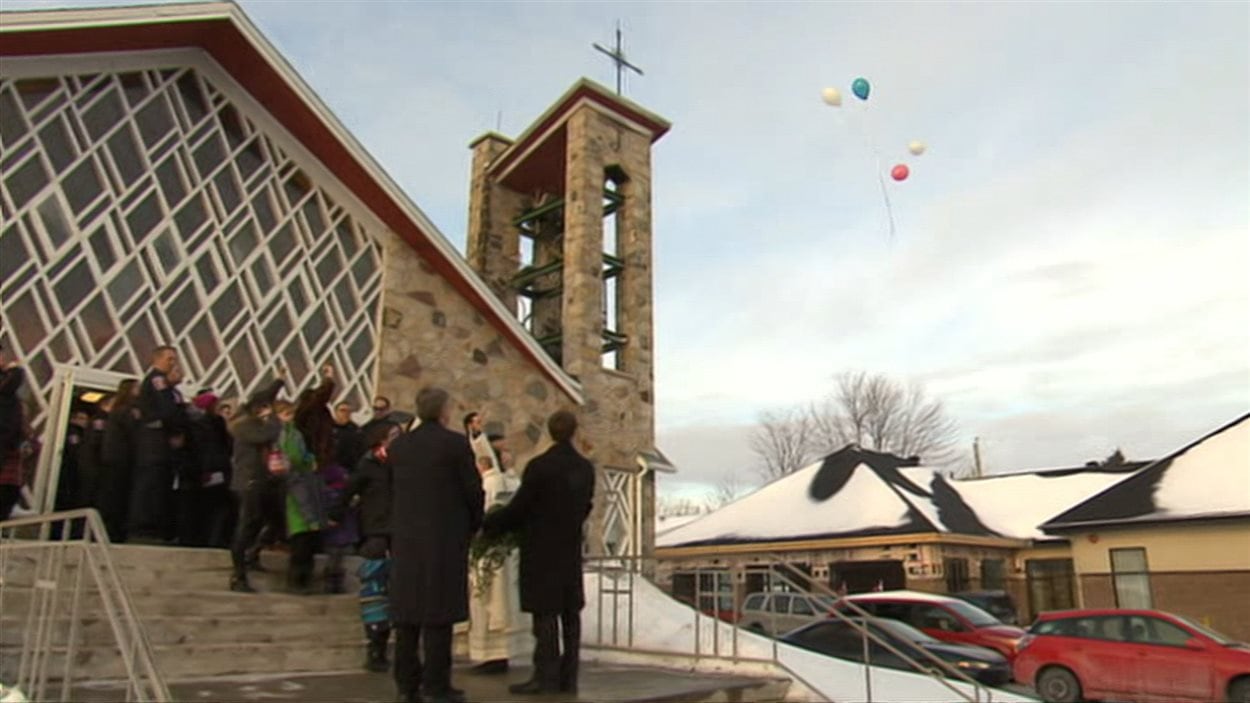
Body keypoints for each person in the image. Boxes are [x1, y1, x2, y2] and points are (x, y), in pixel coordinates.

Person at [483, 410, 595, 695]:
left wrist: (490, 523)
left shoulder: (540, 466)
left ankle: (545, 677)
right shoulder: (585, 468)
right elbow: (586, 506)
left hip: (542, 548)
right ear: (573, 432)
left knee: (545, 616)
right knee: (570, 615)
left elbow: (521, 507)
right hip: (569, 548)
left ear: (549, 432)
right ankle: (568, 678)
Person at [389, 387, 483, 703]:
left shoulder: (400, 447)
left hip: (405, 538)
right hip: (443, 537)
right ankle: (436, 684)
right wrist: (474, 525)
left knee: (407, 615)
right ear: (443, 412)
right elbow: (473, 491)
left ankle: (405, 684)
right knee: (437, 615)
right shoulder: (455, 445)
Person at [339, 421, 400, 672]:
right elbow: (348, 491)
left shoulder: (400, 466)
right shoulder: (368, 466)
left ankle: (385, 643)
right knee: (375, 588)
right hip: (376, 530)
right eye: (393, 436)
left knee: (395, 589)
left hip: (399, 532)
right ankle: (375, 647)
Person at [468, 450, 529, 674]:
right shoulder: (511, 481)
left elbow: (486, 514)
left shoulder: (489, 484)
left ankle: (492, 654)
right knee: (501, 602)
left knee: (488, 602)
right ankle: (499, 652)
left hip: (489, 550)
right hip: (503, 551)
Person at [227, 375, 286, 592]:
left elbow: (264, 396)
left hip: (264, 481)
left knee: (272, 520)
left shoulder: (250, 418)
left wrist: (279, 381)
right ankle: (238, 573)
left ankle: (253, 553)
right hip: (249, 481)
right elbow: (269, 433)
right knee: (247, 525)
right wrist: (272, 418)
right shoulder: (243, 426)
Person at [129, 346, 183, 541]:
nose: (173, 363)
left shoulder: (161, 383)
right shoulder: (157, 380)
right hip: (154, 444)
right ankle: (143, 529)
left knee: (157, 486)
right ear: (158, 359)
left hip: (157, 445)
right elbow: (167, 411)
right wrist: (175, 431)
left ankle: (151, 526)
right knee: (150, 486)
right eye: (170, 359)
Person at [282, 395, 325, 595]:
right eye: (285, 413)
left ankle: (302, 579)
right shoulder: (283, 435)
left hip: (303, 483)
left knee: (305, 540)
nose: (289, 417)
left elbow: (302, 455)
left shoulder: (295, 433)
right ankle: (296, 580)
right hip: (292, 487)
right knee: (300, 541)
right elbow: (294, 457)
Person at [99, 379, 139, 542]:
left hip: (116, 460)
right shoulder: (125, 411)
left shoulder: (118, 412)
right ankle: (113, 533)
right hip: (120, 461)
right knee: (117, 498)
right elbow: (133, 433)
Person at [331, 401, 363, 473]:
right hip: (329, 466)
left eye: (349, 411)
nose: (345, 413)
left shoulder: (356, 430)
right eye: (342, 410)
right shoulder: (328, 428)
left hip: (347, 468)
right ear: (336, 412)